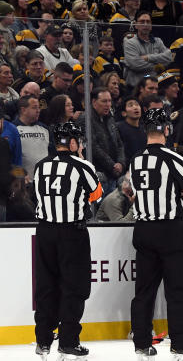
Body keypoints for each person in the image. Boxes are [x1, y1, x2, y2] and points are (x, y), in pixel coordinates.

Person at [129, 108, 183, 360]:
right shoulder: (173, 158)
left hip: (143, 229)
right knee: (180, 288)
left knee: (144, 291)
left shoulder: (136, 159)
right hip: (170, 229)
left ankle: (141, 343)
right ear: (167, 129)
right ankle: (180, 342)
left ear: (145, 131)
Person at [32, 122, 103, 361]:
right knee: (75, 287)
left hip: (44, 232)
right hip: (71, 233)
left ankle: (43, 340)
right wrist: (82, 159)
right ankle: (68, 341)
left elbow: (36, 194)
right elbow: (96, 195)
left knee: (46, 286)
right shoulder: (82, 165)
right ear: (73, 142)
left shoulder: (41, 166)